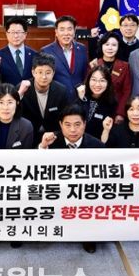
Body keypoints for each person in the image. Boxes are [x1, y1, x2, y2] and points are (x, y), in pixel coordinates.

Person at [38, 103, 104, 254]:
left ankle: (88, 237)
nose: (73, 130)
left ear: (84, 124)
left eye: (77, 124)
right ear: (60, 124)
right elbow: (36, 167)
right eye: (67, 125)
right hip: (57, 190)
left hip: (84, 192)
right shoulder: (51, 141)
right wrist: (43, 147)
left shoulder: (97, 146)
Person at [18, 52, 70, 147]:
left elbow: (66, 118)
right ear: (33, 72)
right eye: (40, 72)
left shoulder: (61, 91)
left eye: (48, 73)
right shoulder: (22, 88)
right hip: (27, 136)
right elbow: (14, 114)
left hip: (53, 137)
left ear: (53, 73)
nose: (44, 77)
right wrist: (19, 94)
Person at [41, 15, 88, 98]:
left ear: (74, 31)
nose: (66, 33)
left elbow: (84, 74)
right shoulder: (46, 51)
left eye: (69, 29)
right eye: (62, 29)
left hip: (78, 98)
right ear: (56, 32)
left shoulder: (82, 49)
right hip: (57, 99)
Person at [89, 31, 131, 121]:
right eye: (107, 44)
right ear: (101, 46)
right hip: (96, 109)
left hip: (116, 111)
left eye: (114, 45)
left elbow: (127, 91)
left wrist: (120, 113)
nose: (110, 48)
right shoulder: (94, 64)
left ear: (118, 47)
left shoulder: (125, 66)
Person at [76, 65, 116, 140]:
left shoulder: (111, 102)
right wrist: (81, 100)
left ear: (108, 83)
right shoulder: (79, 92)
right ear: (88, 80)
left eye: (102, 80)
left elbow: (106, 131)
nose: (97, 84)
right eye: (94, 80)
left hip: (95, 142)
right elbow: (75, 119)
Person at [0, 16, 36, 86]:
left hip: (29, 92)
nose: (16, 36)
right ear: (6, 34)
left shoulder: (34, 55)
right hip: (7, 92)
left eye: (19, 32)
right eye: (12, 32)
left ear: (25, 34)